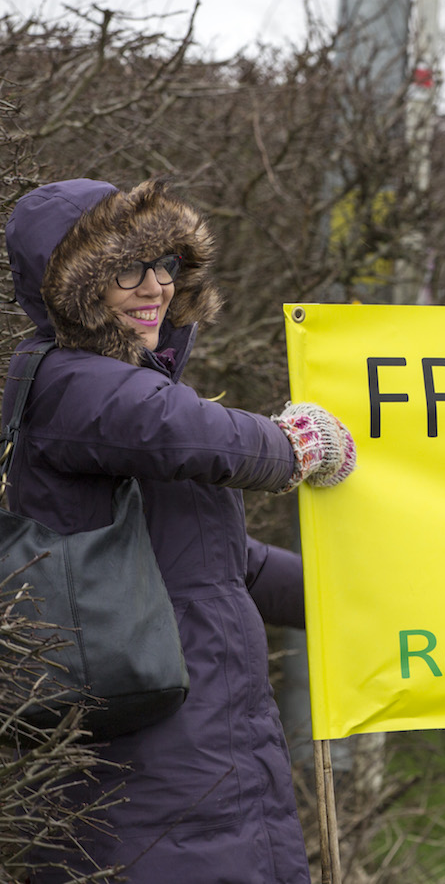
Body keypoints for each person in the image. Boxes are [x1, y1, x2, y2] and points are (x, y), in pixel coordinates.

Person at [3, 178, 356, 882]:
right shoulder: (69, 384)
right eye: (125, 268)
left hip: (209, 746)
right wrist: (294, 446)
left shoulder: (130, 391)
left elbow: (225, 563)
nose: (154, 286)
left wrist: (351, 598)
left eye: (164, 264)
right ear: (72, 289)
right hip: (150, 767)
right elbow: (180, 431)